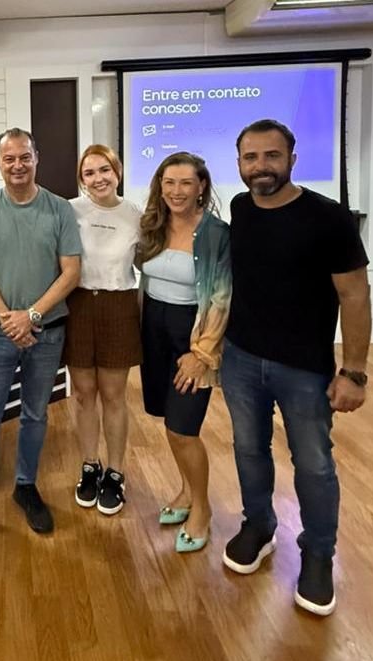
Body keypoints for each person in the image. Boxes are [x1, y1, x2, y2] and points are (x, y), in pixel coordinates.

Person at [221, 119, 370, 616]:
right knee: (248, 449)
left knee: (313, 464)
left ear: (292, 159)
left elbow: (355, 295)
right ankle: (259, 525)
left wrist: (354, 371)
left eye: (272, 156)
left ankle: (319, 554)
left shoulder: (329, 218)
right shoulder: (240, 209)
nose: (261, 166)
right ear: (239, 163)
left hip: (305, 369)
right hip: (241, 359)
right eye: (251, 158)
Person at [0, 127, 82, 560]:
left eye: (24, 157)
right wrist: (11, 320)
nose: (17, 165)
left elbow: (71, 272)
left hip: (47, 331)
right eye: (8, 158)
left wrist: (31, 316)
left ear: (36, 158)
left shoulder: (59, 208)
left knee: (35, 414)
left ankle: (25, 487)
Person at [136, 152, 231, 553]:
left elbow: (222, 298)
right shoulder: (152, 226)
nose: (176, 191)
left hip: (192, 339)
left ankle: (202, 509)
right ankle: (187, 492)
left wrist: (202, 354)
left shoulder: (217, 234)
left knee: (183, 429)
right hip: (153, 333)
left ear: (201, 187)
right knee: (169, 423)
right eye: (169, 182)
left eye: (185, 183)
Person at [66, 144, 143, 515]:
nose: (98, 178)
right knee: (84, 394)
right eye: (89, 173)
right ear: (82, 179)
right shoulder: (69, 211)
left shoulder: (136, 215)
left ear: (118, 171)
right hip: (78, 304)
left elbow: (147, 262)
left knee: (113, 395)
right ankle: (89, 465)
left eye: (104, 170)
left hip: (118, 305)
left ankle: (115, 472)